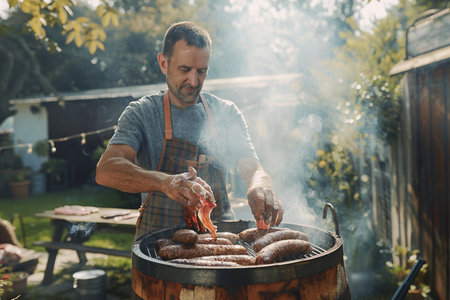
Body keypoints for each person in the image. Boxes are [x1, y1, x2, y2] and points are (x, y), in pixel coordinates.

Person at [96, 21, 283, 239]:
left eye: (201, 71)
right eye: (184, 69)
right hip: (159, 249)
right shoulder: (142, 113)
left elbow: (252, 166)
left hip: (219, 243)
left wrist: (259, 186)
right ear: (164, 63)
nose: (194, 81)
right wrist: (165, 182)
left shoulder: (226, 112)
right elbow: (106, 170)